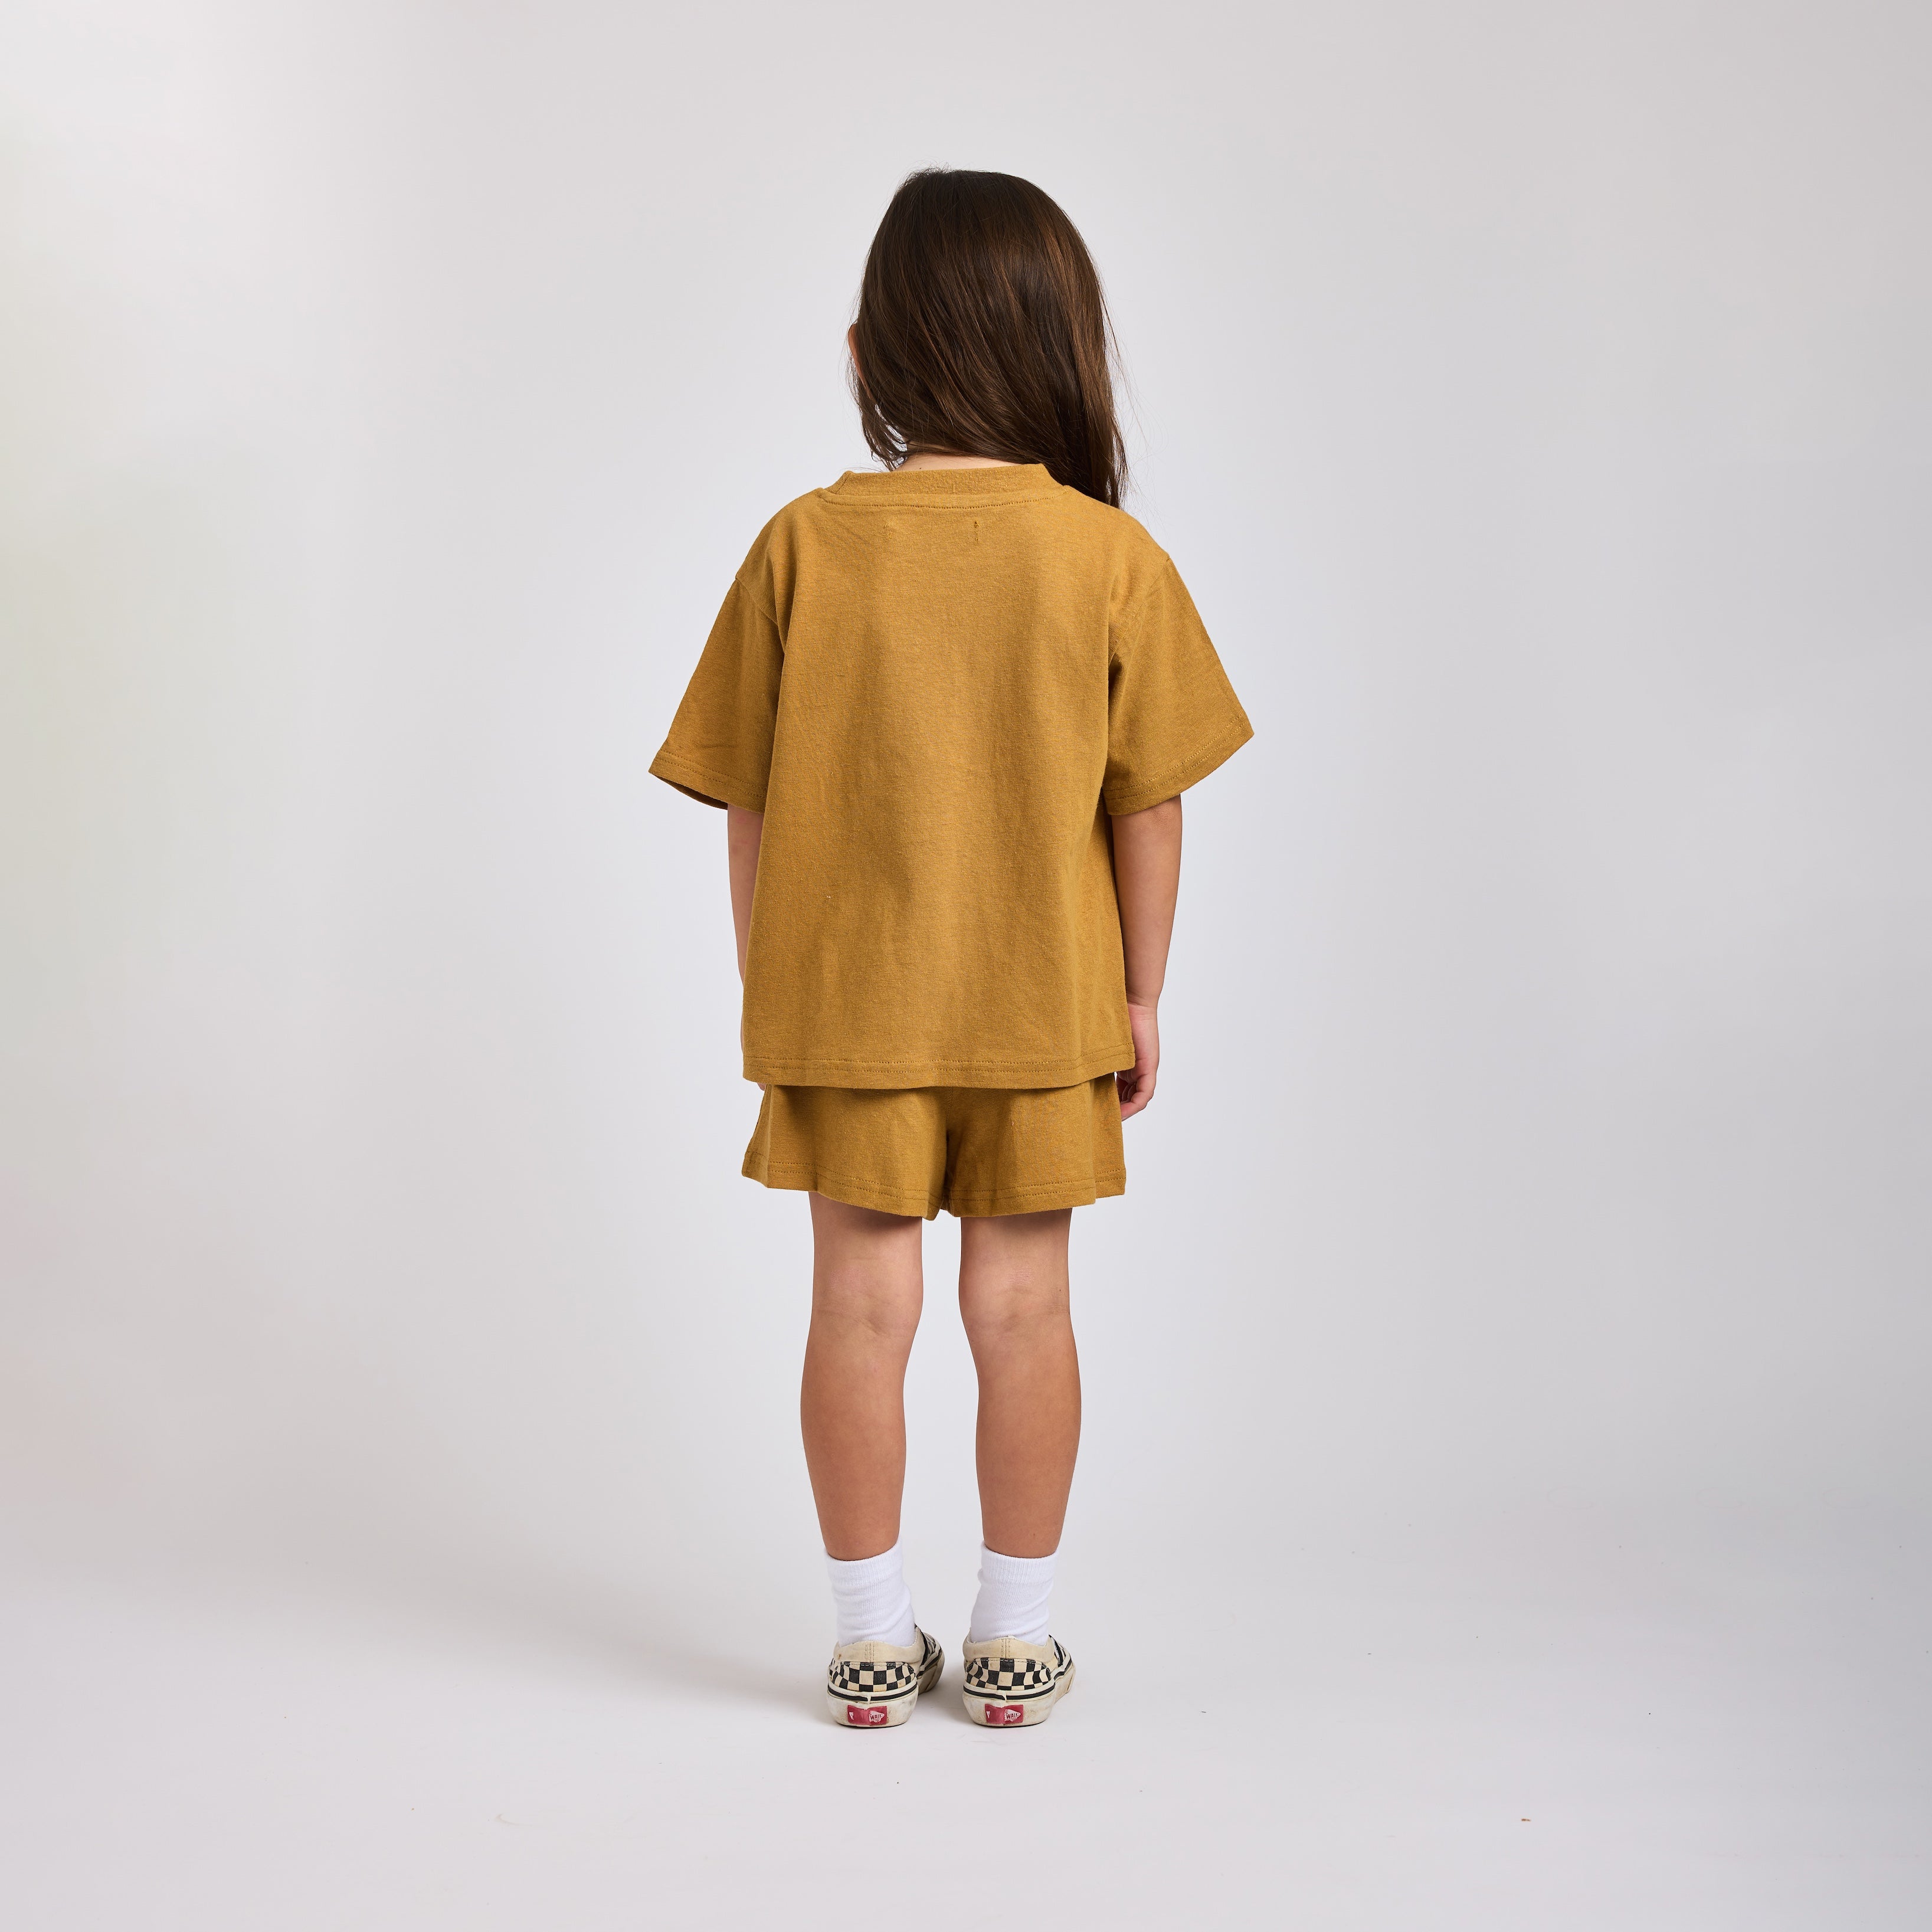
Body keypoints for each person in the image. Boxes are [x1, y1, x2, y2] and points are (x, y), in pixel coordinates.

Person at [650, 169, 1252, 1728]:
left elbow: (746, 798)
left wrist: (773, 983)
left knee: (857, 1309)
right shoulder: (1106, 557)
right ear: (1063, 349)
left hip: (846, 1006)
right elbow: (1152, 804)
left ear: (868, 352)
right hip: (1044, 1004)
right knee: (1025, 1311)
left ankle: (868, 1638)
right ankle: (1012, 1639)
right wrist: (1139, 994)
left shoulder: (801, 546)